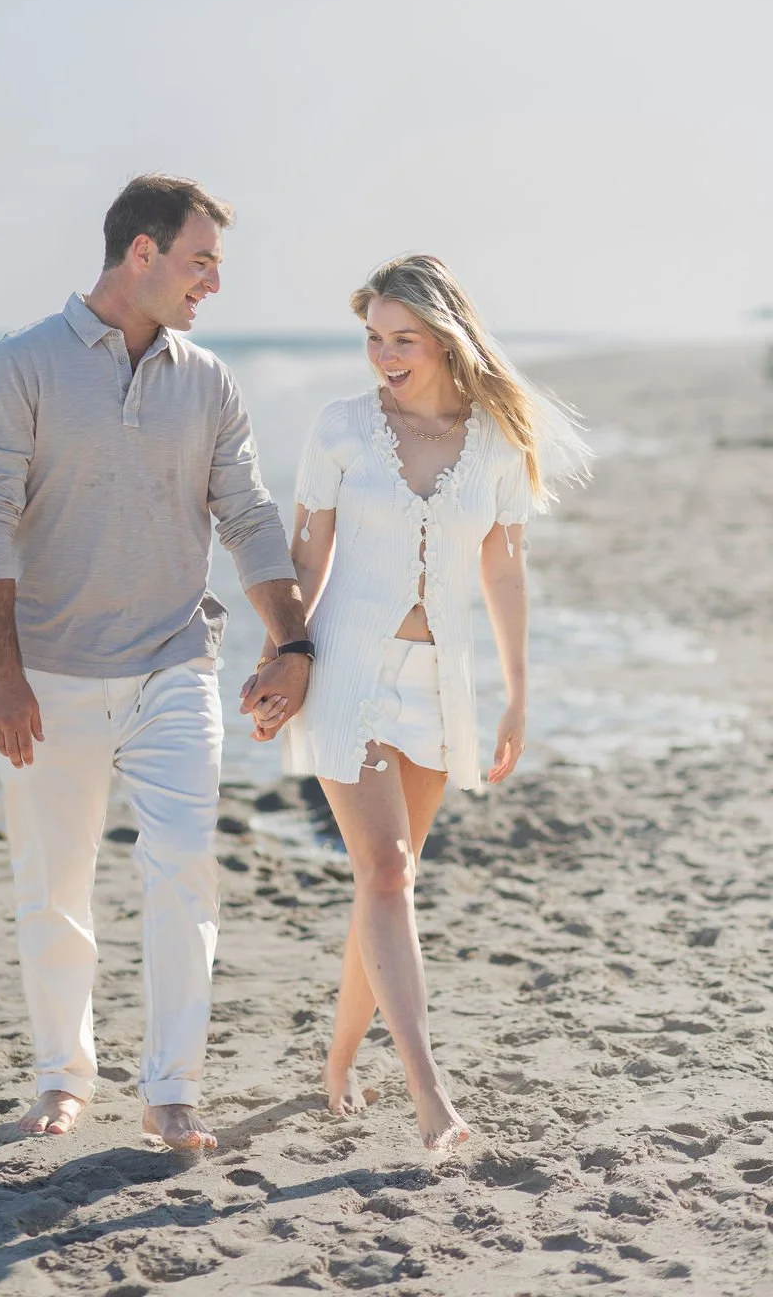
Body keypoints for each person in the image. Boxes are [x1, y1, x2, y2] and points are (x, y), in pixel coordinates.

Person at [0, 175, 312, 1150]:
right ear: (141, 254)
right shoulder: (21, 366)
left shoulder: (207, 381)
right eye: (200, 261)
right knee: (54, 888)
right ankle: (62, 1079)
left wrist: (291, 640)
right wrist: (2, 673)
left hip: (172, 663)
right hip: (49, 675)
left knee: (184, 869)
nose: (212, 283)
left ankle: (170, 1091)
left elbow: (244, 515)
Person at [242, 254, 589, 1152]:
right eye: (373, 340)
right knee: (387, 871)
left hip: (443, 684)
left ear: (444, 338)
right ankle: (431, 1094)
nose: (384, 357)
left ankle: (339, 1061)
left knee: (385, 884)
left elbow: (504, 566)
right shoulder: (343, 428)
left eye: (403, 339)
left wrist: (518, 694)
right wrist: (283, 655)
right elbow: (305, 557)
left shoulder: (498, 441)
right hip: (349, 672)